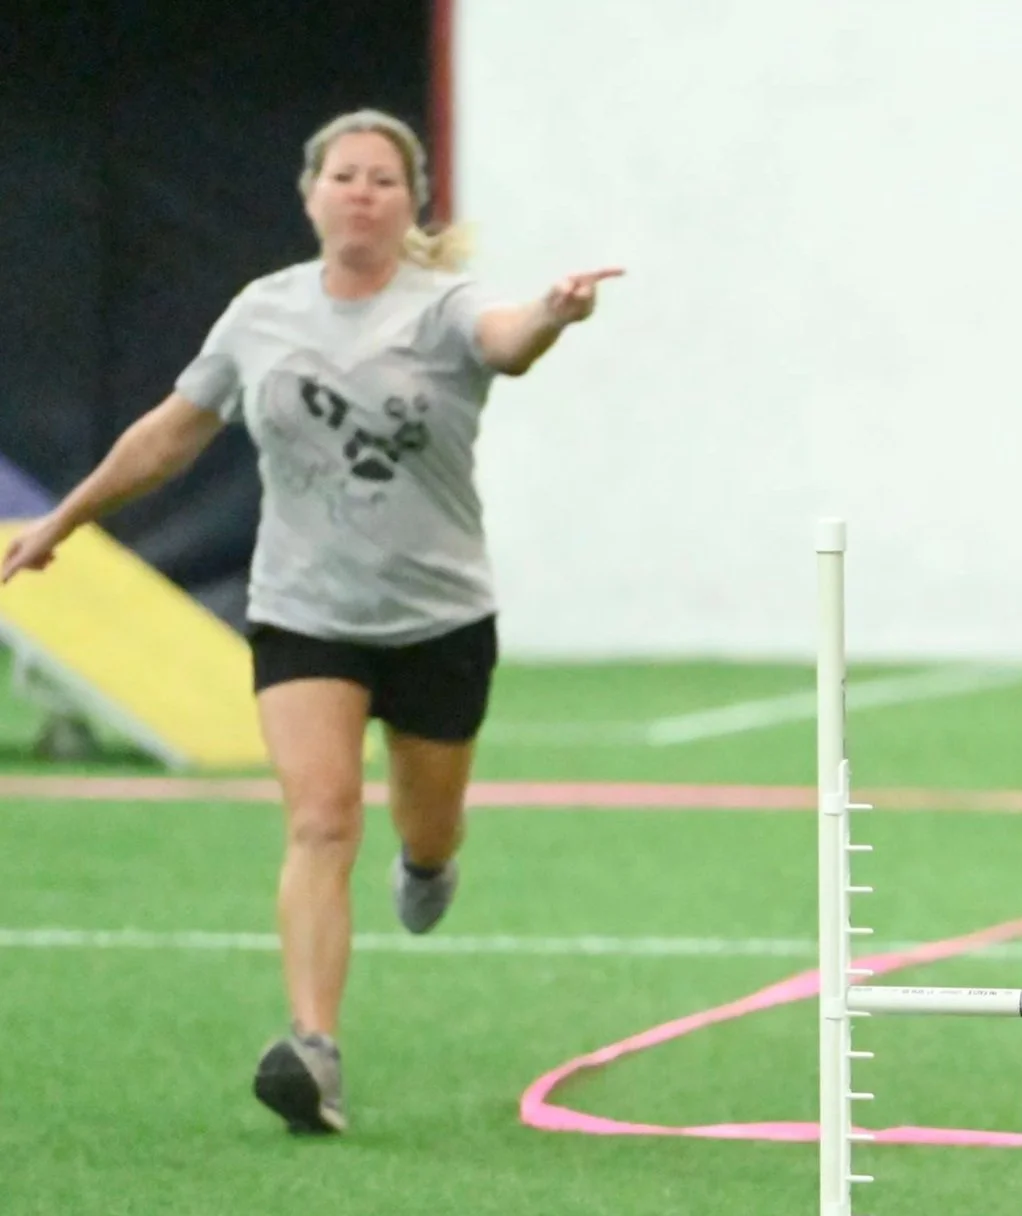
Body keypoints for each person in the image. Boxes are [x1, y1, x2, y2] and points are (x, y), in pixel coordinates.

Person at [0, 109, 622, 1137]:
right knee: (321, 818)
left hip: (437, 617)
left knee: (425, 829)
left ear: (410, 200)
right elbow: (170, 432)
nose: (363, 192)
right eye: (345, 175)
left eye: (384, 178)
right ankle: (313, 1050)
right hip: (304, 613)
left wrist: (553, 313)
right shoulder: (262, 315)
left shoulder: (447, 307)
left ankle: (427, 862)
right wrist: (64, 518)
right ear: (311, 194)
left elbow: (506, 343)